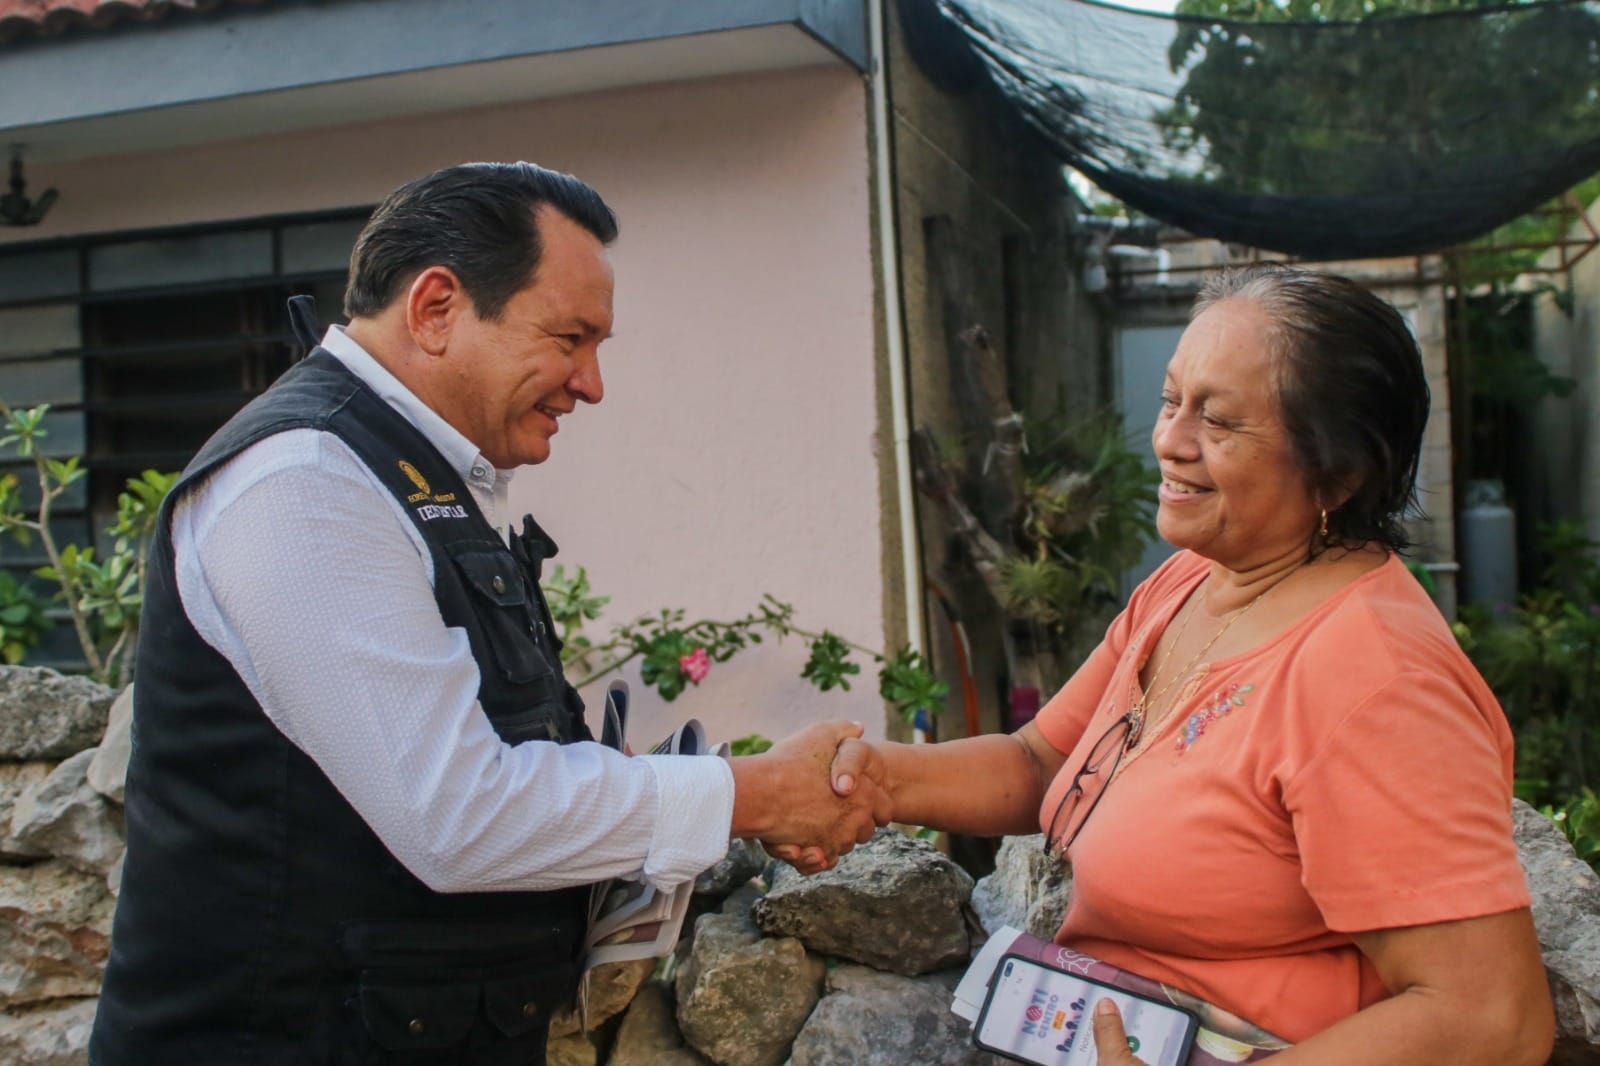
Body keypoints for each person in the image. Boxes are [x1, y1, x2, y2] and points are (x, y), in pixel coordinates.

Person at [89, 162, 882, 1065]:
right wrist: (758, 793)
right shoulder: (305, 481)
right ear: (435, 309)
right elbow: (456, 815)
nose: (591, 384)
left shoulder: (404, 472)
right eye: (570, 337)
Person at [819, 265, 1555, 1065]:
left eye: (1221, 421)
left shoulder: (1377, 682)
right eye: (1173, 400)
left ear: (1338, 475)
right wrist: (875, 782)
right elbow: (1044, 763)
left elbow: (1491, 1018)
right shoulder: (1194, 581)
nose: (1169, 439)